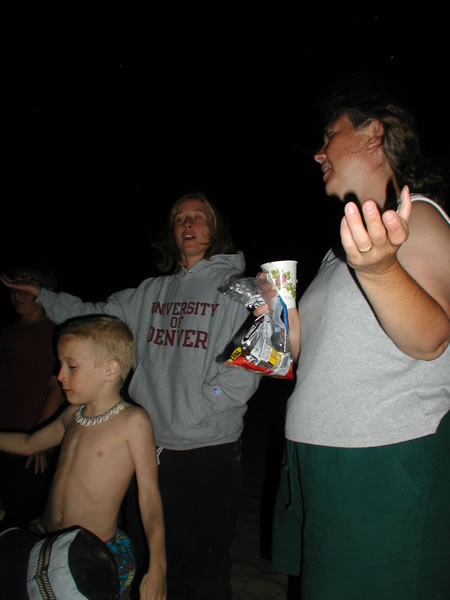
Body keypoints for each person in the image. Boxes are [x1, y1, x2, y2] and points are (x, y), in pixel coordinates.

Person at [1, 193, 262, 599]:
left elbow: (252, 359)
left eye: (198, 217)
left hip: (208, 449)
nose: (188, 224)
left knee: (204, 566)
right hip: (149, 446)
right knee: (145, 558)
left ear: (216, 229)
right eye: (179, 218)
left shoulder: (239, 290)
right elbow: (94, 318)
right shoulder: (150, 292)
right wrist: (43, 296)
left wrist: (204, 402)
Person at [270, 75, 450, 600]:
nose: (319, 153)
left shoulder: (421, 217)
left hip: (379, 461)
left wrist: (378, 270)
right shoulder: (343, 253)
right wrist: (275, 310)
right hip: (320, 457)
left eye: (331, 135)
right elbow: (302, 355)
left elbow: (432, 339)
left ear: (374, 134)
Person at [0, 314, 166, 600]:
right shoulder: (71, 416)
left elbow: (149, 497)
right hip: (46, 537)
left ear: (110, 369)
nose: (59, 375)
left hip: (91, 552)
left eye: (71, 366)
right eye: (60, 364)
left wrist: (158, 567)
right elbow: (28, 443)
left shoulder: (133, 422)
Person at [0, 264, 65, 529]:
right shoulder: (7, 332)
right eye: (14, 288)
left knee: (26, 519)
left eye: (24, 289)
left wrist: (40, 438)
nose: (18, 295)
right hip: (4, 434)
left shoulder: (54, 332)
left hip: (31, 443)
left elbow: (57, 387)